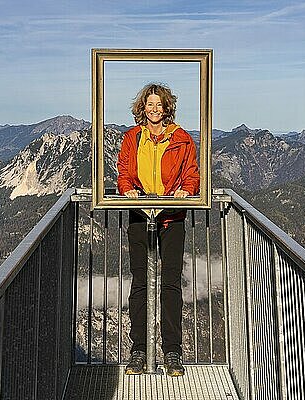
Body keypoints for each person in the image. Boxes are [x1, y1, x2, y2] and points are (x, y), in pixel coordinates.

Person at [117, 83, 200, 377]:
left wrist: (186, 190)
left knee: (171, 284)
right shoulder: (132, 138)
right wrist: (127, 190)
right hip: (140, 214)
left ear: (167, 108)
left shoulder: (181, 139)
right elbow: (124, 172)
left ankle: (172, 352)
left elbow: (192, 174)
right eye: (149, 105)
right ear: (143, 108)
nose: (154, 109)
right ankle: (138, 350)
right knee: (140, 283)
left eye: (159, 104)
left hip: (171, 217)